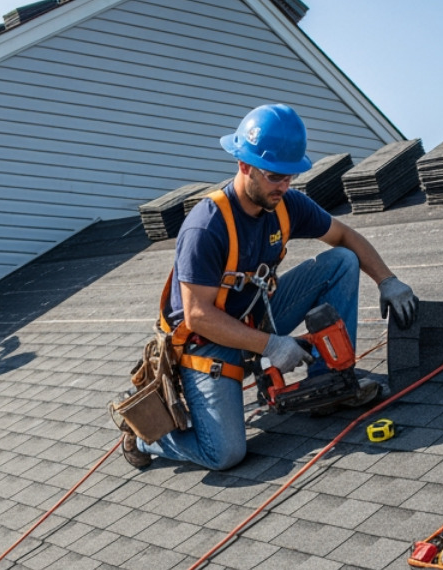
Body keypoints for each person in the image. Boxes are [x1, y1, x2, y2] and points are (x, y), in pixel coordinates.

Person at [124, 104, 419, 472]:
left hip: (255, 318)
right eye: (274, 176)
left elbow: (343, 235)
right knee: (225, 453)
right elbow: (198, 316)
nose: (283, 186)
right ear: (243, 165)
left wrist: (387, 280)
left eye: (289, 176)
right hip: (209, 343)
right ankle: (143, 436)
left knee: (341, 261)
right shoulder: (207, 227)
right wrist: (272, 346)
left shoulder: (285, 204)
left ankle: (330, 385)